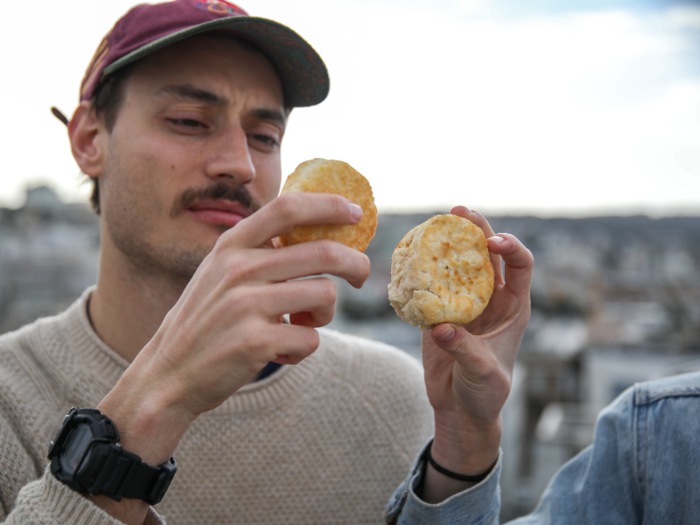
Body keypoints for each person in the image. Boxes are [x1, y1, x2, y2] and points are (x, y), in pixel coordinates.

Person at [0, 1, 446, 523]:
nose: (240, 164)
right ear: (89, 139)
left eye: (264, 137)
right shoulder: (9, 403)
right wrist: (159, 400)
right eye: (189, 121)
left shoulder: (398, 400)